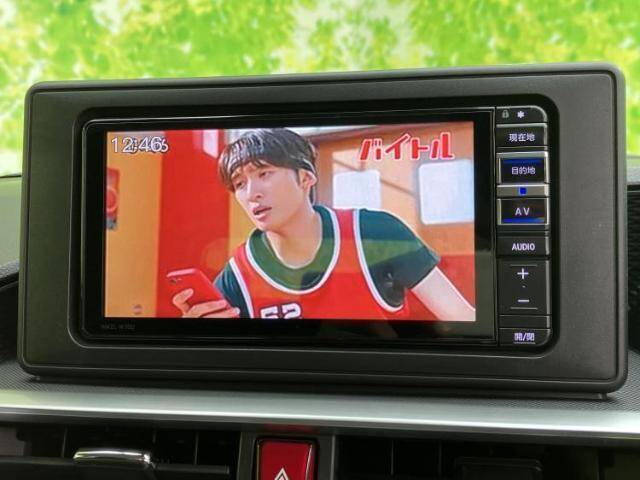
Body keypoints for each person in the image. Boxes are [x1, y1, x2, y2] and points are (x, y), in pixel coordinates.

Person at [172, 128, 474, 321]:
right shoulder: (237, 276)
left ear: (305, 178)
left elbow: (463, 319)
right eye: (239, 183)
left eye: (264, 174)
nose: (252, 193)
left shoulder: (377, 233)